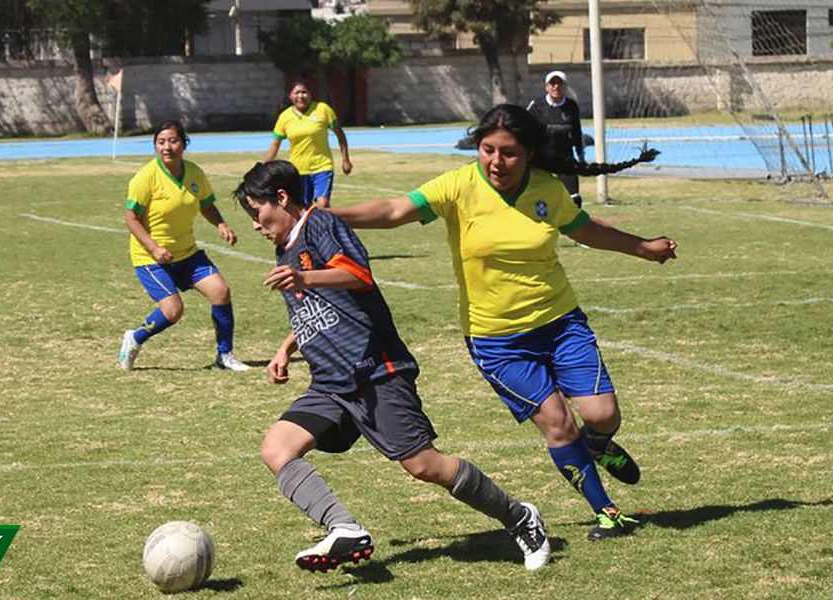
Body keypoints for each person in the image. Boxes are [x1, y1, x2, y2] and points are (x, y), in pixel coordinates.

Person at [331, 104, 677, 541]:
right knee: (558, 423)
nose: (496, 161)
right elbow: (396, 209)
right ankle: (606, 511)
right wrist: (328, 216)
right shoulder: (459, 185)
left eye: (509, 153)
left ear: (530, 153)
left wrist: (643, 248)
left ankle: (595, 446)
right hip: (497, 339)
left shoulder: (548, 190)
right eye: (487, 149)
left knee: (603, 414)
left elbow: (585, 229)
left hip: (560, 323)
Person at [233, 160, 550, 573]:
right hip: (331, 382)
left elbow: (357, 274)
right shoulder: (288, 247)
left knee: (425, 466)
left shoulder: (321, 224)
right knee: (277, 448)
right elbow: (318, 304)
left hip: (374, 371)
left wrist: (305, 279)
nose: (256, 224)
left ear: (282, 198)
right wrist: (286, 347)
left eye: (256, 212)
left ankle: (519, 517)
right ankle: (344, 527)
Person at [118, 120, 250, 372]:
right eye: (161, 142)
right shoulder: (145, 178)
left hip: (187, 253)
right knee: (173, 311)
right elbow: (131, 219)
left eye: (173, 141)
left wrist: (221, 225)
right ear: (155, 145)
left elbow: (206, 204)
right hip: (151, 258)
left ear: (184, 144)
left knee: (221, 292)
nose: (167, 147)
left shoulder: (194, 173)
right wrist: (154, 248)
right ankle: (135, 338)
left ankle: (225, 356)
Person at [264, 80, 352, 208]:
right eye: (297, 93)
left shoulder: (323, 109)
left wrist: (346, 160)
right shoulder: (284, 117)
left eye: (304, 92)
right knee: (303, 208)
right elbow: (275, 144)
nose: (300, 96)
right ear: (290, 96)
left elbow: (340, 134)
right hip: (298, 170)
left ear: (310, 94)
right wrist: (265, 166)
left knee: (322, 205)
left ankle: (325, 226)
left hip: (322, 166)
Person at [527, 70, 586, 207]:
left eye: (560, 83)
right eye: (552, 83)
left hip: (565, 158)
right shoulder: (537, 105)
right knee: (539, 196)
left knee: (574, 199)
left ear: (565, 87)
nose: (556, 87)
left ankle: (572, 227)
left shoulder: (571, 106)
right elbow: (524, 128)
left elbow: (577, 132)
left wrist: (581, 157)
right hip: (542, 159)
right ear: (546, 87)